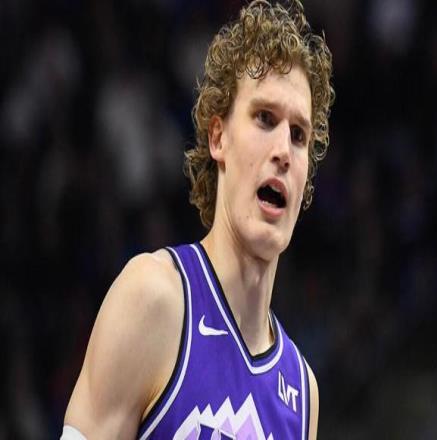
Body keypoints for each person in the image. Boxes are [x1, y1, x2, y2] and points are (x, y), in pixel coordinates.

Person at [62, 0, 334, 438]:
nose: (284, 150)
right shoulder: (153, 299)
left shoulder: (303, 393)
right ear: (218, 137)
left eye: (298, 134)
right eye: (265, 118)